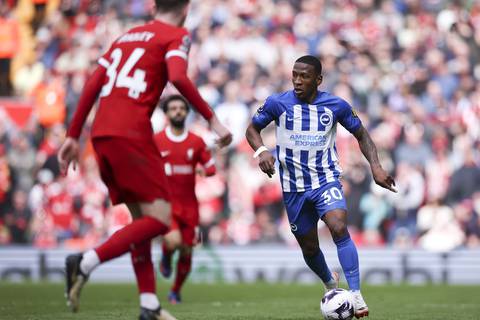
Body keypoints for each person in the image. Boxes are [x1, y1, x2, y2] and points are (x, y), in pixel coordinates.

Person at [57, 1, 232, 319]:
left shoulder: (125, 37)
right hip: (132, 135)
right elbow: (178, 76)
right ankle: (85, 262)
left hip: (101, 135)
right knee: (161, 220)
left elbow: (93, 84)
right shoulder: (176, 35)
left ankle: (149, 303)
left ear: (153, 6)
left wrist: (72, 135)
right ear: (186, 8)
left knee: (142, 221)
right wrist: (213, 120)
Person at [245, 55, 396, 319]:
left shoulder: (335, 105)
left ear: (318, 79)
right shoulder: (277, 103)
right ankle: (330, 284)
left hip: (325, 179)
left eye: (304, 76)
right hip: (293, 188)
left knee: (338, 225)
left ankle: (356, 294)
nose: (297, 81)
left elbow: (362, 134)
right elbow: (252, 130)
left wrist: (376, 167)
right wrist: (261, 151)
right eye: (294, 75)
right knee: (310, 248)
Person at [154, 95, 216, 304]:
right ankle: (165, 253)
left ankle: (175, 290)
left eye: (182, 108)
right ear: (166, 113)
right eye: (173, 108)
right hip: (166, 204)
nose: (178, 111)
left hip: (190, 205)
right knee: (173, 240)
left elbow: (211, 167)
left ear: (187, 112)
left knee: (188, 250)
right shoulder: (157, 140)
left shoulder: (196, 141)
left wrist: (203, 170)